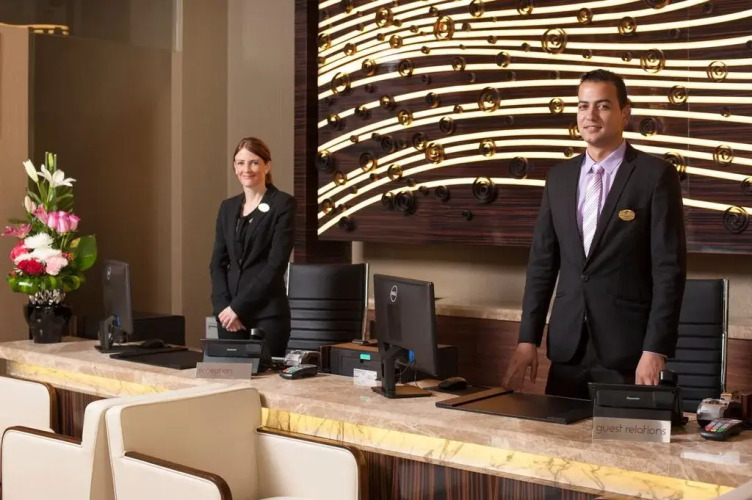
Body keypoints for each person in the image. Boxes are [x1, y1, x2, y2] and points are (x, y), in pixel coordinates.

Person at [502, 69, 687, 399]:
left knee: (624, 435)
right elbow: (542, 264)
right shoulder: (559, 178)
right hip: (567, 350)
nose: (590, 116)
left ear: (624, 112)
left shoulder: (655, 176)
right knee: (556, 432)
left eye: (602, 106)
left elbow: (668, 270)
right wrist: (527, 340)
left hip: (629, 353)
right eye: (583, 106)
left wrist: (655, 348)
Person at [209, 137, 296, 357]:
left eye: (254, 162)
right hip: (229, 319)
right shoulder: (228, 208)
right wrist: (223, 309)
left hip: (266, 316)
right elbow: (217, 263)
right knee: (231, 377)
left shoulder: (282, 204)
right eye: (240, 163)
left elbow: (275, 265)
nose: (246, 169)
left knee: (265, 376)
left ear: (267, 166)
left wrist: (237, 308)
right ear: (234, 167)